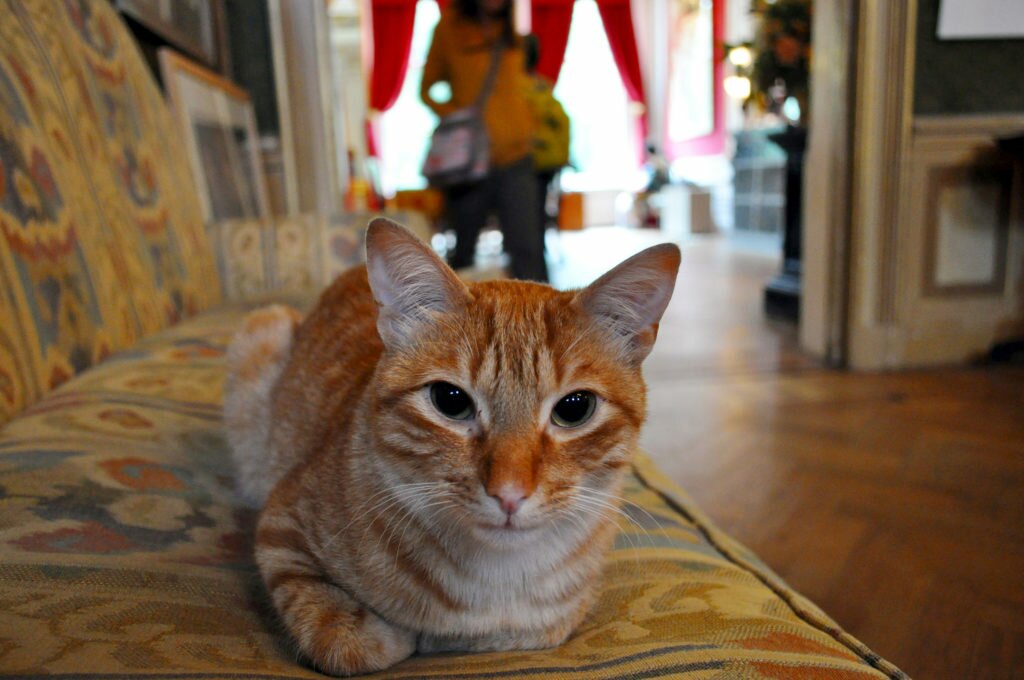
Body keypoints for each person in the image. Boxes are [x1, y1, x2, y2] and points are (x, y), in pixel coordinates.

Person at [421, 0, 548, 282]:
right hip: (469, 165)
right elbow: (426, 89)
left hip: (517, 155)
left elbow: (516, 85)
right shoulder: (449, 28)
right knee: (463, 251)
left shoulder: (511, 28)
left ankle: (543, 320)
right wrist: (457, 116)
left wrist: (528, 122)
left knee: (528, 249)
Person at [522, 33, 570, 252]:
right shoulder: (542, 85)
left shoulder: (518, 88)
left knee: (526, 220)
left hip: (529, 161)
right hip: (548, 162)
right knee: (535, 220)